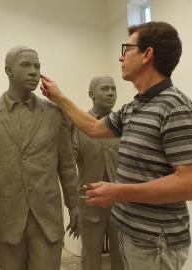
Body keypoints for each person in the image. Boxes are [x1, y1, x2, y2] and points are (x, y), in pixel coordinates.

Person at [40, 22, 192, 270]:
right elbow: (94, 128)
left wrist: (119, 192)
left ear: (147, 55)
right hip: (131, 234)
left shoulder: (176, 108)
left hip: (155, 242)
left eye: (126, 48)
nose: (120, 56)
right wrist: (58, 96)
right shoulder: (135, 107)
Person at [0, 46, 80, 270]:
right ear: (9, 71)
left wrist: (75, 205)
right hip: (7, 219)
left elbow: (67, 165)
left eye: (37, 66)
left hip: (47, 218)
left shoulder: (54, 114)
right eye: (26, 65)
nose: (33, 71)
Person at [73, 76, 122, 270]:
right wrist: (72, 204)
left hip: (120, 201)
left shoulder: (123, 124)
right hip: (90, 201)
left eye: (113, 88)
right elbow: (68, 163)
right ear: (92, 94)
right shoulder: (79, 125)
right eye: (105, 89)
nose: (111, 93)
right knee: (91, 255)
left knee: (121, 253)